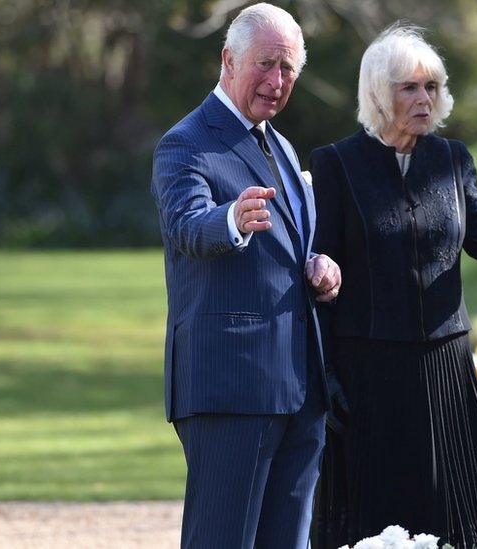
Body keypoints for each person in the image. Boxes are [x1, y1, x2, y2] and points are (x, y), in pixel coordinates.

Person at [309, 24, 477, 548]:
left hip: (443, 368)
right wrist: (325, 373)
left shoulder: (453, 160)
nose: (425, 99)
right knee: (372, 516)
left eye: (431, 87)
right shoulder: (335, 164)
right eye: (410, 87)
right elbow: (319, 275)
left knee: (447, 514)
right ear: (379, 95)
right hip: (367, 371)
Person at [150, 4, 342, 547]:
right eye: (265, 64)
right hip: (230, 384)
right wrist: (230, 218)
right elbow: (187, 227)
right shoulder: (186, 143)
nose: (276, 81)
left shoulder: (279, 144)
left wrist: (318, 270)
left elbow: (285, 249)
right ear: (228, 60)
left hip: (298, 388)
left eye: (288, 69)